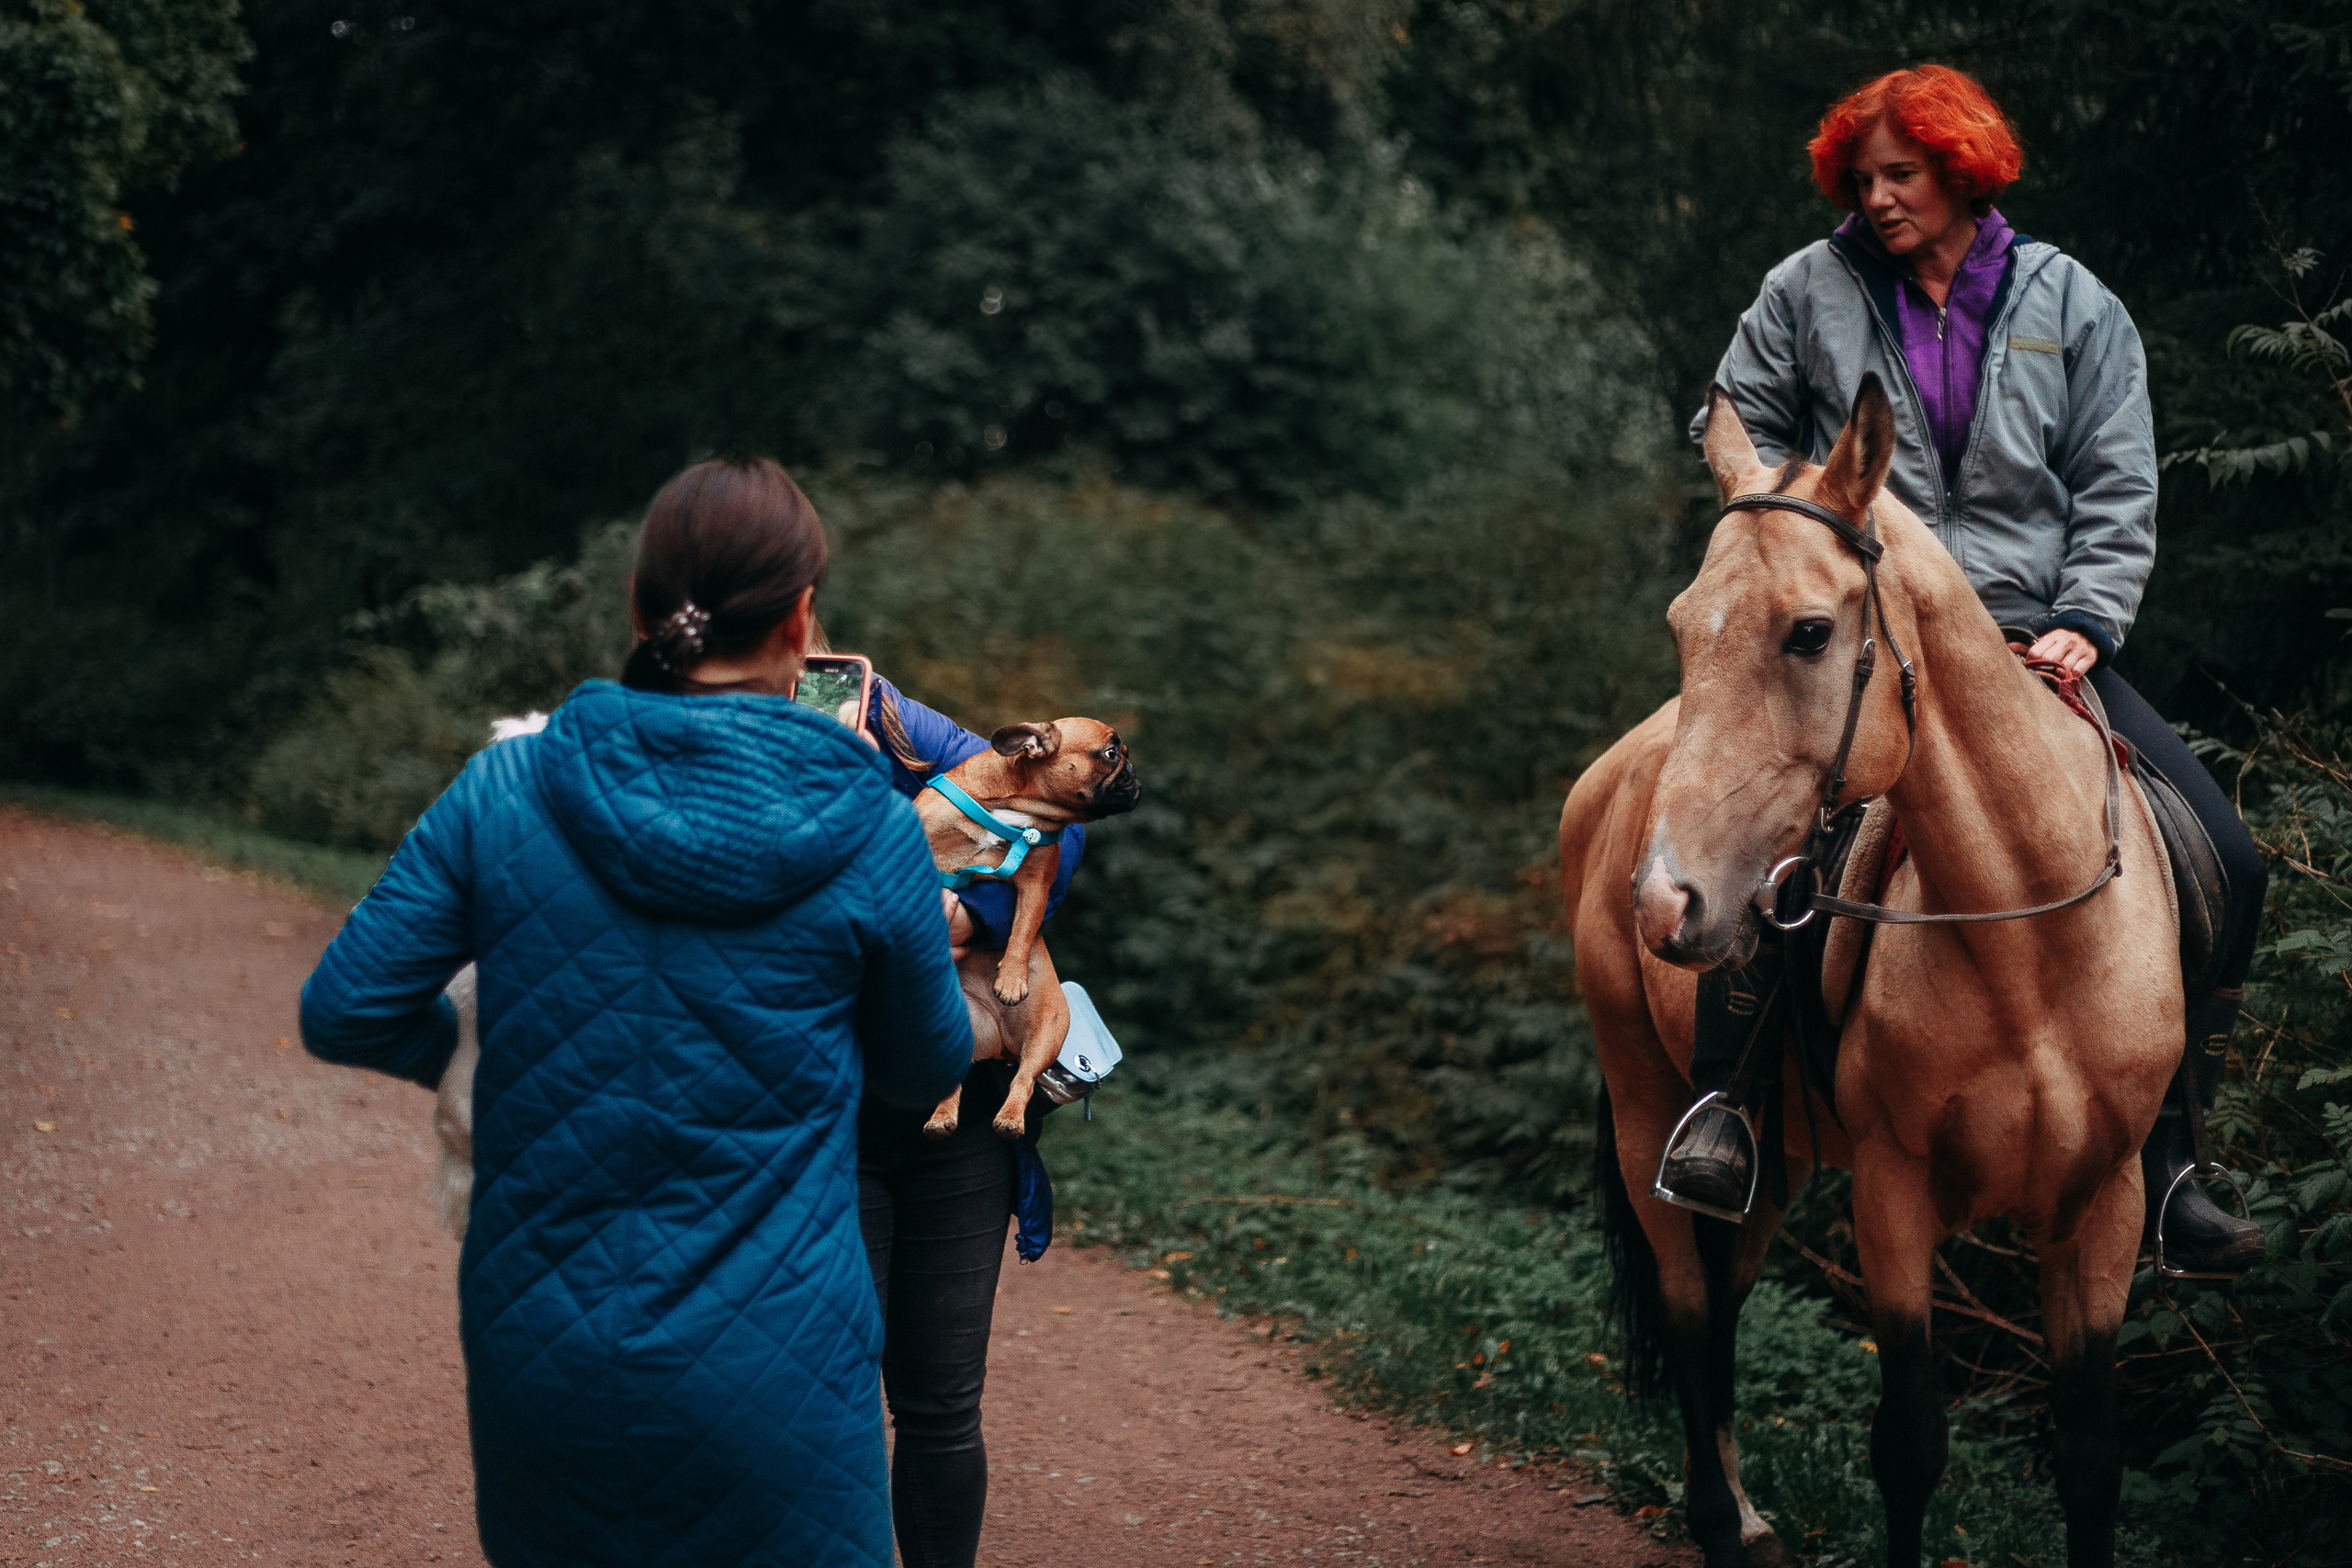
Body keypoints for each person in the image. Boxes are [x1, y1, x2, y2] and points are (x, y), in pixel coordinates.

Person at [299, 457, 973, 1567]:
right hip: (783, 1370)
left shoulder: (505, 791)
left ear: (640, 607)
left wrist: (495, 1050)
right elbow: (919, 1069)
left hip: (545, 1359)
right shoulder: (872, 830)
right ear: (804, 620)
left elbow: (348, 1009)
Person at [1657, 64, 2267, 1276]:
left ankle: (2180, 1156)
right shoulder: (1806, 289)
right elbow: (1731, 425)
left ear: (1962, 168)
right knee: (1756, 832)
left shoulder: (2070, 302)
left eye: (1905, 173)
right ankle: (1724, 1107)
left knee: (2227, 853)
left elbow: (2117, 471)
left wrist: (2090, 615)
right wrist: (1800, 531)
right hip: (1848, 631)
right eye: (1862, 176)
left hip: (2032, 638)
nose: (1880, 197)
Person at [854, 676, 1086, 1568]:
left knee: (944, 1404)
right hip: (826, 1119)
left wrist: (970, 909)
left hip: (965, 1122)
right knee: (820, 1393)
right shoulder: (700, 754)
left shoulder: (892, 719)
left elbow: (1057, 807)